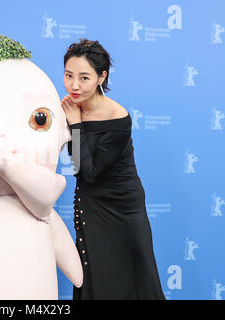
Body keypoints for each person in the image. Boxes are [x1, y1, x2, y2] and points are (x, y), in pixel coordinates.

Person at [60, 39, 165, 300]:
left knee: (134, 282)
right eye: (68, 75)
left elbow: (87, 172)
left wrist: (75, 125)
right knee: (94, 278)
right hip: (91, 204)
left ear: (101, 77)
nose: (74, 85)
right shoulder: (68, 108)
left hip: (122, 208)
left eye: (84, 78)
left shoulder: (117, 118)